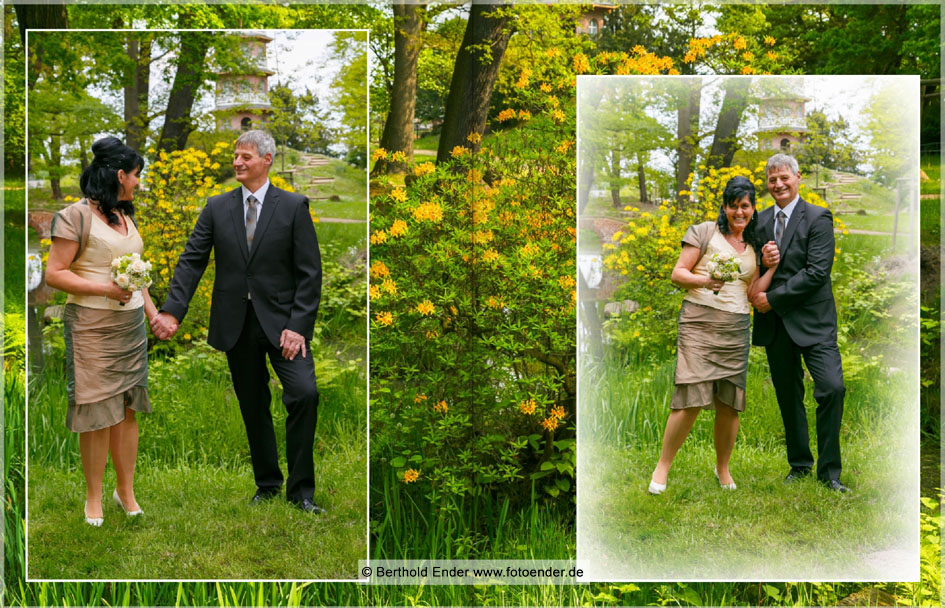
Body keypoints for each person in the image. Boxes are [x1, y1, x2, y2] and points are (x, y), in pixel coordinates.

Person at [151, 130, 325, 512]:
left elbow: (310, 272)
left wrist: (298, 326)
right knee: (252, 404)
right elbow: (192, 260)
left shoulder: (294, 206)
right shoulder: (217, 207)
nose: (238, 162)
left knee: (304, 394)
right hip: (237, 323)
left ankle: (302, 493)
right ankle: (267, 485)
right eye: (235, 156)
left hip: (284, 324)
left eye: (246, 156)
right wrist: (172, 310)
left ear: (266, 159)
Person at [45, 137, 154, 525]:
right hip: (91, 326)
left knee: (126, 410)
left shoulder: (125, 214)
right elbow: (54, 274)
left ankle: (125, 490)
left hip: (131, 326)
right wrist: (106, 289)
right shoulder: (74, 216)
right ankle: (93, 498)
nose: (139, 182)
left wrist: (152, 312)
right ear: (120, 175)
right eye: (137, 175)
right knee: (95, 411)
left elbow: (135, 271)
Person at [649, 176, 776, 494]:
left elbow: (753, 293)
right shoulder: (704, 232)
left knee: (728, 403)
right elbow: (678, 273)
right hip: (699, 322)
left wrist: (771, 268)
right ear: (724, 207)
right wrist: (706, 281)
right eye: (733, 206)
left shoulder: (753, 245)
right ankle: (662, 468)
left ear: (752, 208)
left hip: (735, 328)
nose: (739, 212)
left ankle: (723, 469)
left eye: (744, 206)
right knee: (690, 398)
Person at [750, 154, 848, 492]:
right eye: (772, 179)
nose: (778, 185)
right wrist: (762, 267)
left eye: (784, 178)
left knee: (832, 388)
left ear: (798, 177)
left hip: (814, 322)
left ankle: (830, 472)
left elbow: (818, 272)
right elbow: (753, 271)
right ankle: (800, 465)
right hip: (776, 326)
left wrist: (773, 299)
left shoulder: (818, 218)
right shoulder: (759, 222)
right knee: (788, 397)